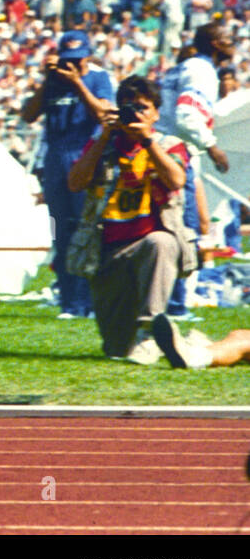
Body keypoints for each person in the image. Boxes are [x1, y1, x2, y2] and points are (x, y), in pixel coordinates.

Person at [67, 75, 196, 361]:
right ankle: (180, 343)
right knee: (117, 350)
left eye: (142, 108)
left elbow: (176, 179)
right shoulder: (104, 144)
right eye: (128, 107)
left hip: (148, 242)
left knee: (161, 243)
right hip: (107, 249)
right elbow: (75, 183)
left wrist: (147, 141)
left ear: (156, 113)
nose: (135, 113)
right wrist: (103, 137)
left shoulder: (168, 144)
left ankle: (150, 330)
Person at [20, 30, 115, 318]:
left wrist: (77, 84)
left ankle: (86, 300)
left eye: (77, 59)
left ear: (87, 55)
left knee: (85, 228)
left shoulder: (98, 78)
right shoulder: (53, 82)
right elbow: (28, 115)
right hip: (55, 156)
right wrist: (47, 81)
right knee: (60, 230)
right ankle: (67, 300)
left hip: (84, 154)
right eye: (67, 59)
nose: (71, 65)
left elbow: (103, 115)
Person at [158, 23, 233, 319]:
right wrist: (212, 146)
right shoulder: (201, 70)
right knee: (182, 229)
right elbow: (187, 115)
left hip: (163, 148)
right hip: (176, 152)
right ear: (214, 43)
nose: (232, 43)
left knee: (172, 227)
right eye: (227, 39)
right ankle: (175, 306)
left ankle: (165, 301)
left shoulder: (183, 67)